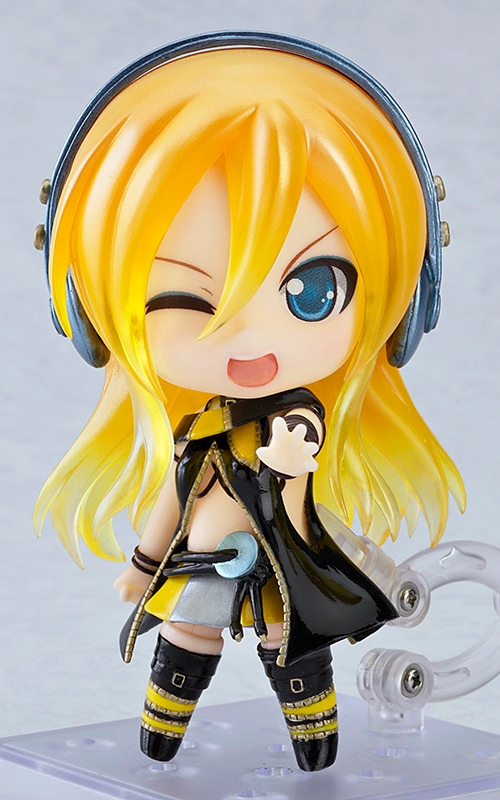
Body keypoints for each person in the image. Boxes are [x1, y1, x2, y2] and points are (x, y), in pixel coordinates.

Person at [35, 36, 465, 771]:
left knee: (290, 645)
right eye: (184, 299)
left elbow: (297, 492)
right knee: (185, 638)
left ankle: (314, 736)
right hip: (203, 562)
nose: (248, 337)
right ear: (90, 316)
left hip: (284, 567)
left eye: (312, 291)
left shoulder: (298, 423)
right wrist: (143, 565)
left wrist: (292, 464)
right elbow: (175, 501)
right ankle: (162, 730)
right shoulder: (200, 429)